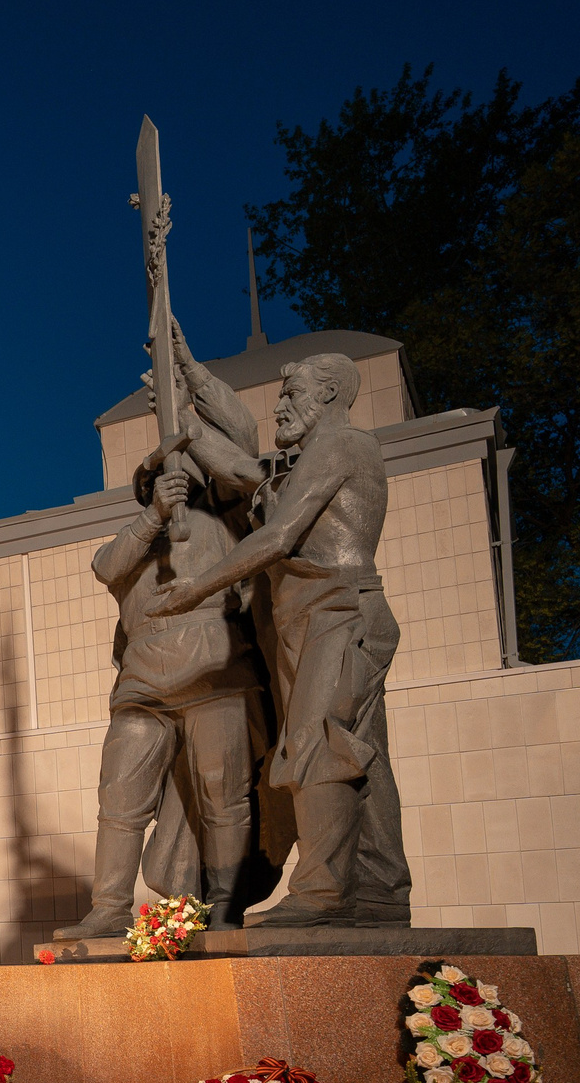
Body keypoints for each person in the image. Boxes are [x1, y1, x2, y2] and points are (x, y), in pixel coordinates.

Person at [145, 350, 410, 927]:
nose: (281, 406)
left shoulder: (344, 445)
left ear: (332, 393)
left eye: (294, 395)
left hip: (338, 613)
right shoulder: (305, 464)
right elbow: (247, 475)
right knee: (363, 758)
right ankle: (382, 886)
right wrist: (184, 399)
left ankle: (323, 892)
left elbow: (280, 536)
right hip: (307, 622)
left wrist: (195, 591)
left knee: (320, 747)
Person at [52, 325, 271, 941]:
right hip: (144, 684)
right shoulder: (137, 542)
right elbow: (106, 567)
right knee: (119, 802)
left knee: (223, 798)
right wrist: (154, 515)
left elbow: (247, 438)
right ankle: (108, 907)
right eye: (156, 480)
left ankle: (227, 906)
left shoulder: (226, 518)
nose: (170, 484)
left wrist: (191, 376)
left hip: (214, 673)